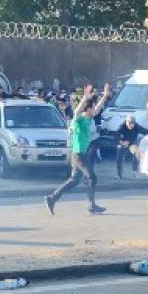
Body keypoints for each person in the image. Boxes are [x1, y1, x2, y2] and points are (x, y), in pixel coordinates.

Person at [45, 83, 111, 216]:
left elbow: (97, 109)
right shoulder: (78, 120)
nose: (95, 109)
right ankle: (91, 206)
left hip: (81, 154)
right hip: (78, 155)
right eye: (92, 107)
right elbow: (76, 111)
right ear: (87, 109)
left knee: (74, 180)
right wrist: (85, 98)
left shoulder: (89, 118)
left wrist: (105, 96)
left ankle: (52, 198)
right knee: (92, 177)